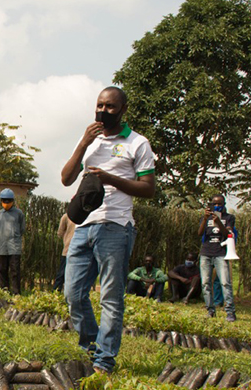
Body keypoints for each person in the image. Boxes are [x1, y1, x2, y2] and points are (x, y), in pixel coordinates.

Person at [60, 86, 156, 374]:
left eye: (110, 107)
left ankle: (104, 360)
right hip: (84, 225)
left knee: (110, 297)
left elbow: (148, 188)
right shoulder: (88, 141)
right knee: (73, 294)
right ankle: (90, 345)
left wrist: (111, 178)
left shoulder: (138, 143)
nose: (103, 111)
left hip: (116, 226)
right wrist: (82, 145)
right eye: (99, 105)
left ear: (123, 109)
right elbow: (66, 179)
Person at [198, 194, 237, 321]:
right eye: (214, 204)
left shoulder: (229, 218)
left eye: (220, 204)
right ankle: (210, 310)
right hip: (206, 253)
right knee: (205, 283)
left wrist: (218, 221)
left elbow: (227, 234)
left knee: (225, 283)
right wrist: (205, 219)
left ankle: (230, 312)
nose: (217, 206)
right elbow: (199, 233)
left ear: (224, 204)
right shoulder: (206, 217)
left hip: (221, 253)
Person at [0, 188, 25, 294]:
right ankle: (4, 293)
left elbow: (22, 229)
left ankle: (16, 293)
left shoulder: (19, 214)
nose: (6, 203)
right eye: (4, 200)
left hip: (14, 248)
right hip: (2, 248)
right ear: (1, 201)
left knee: (15, 271)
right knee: (2, 270)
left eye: (8, 200)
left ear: (12, 201)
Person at [53, 213, 75, 292]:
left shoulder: (89, 215)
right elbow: (60, 232)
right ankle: (55, 293)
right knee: (62, 273)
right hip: (68, 249)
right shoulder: (67, 216)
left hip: (84, 251)